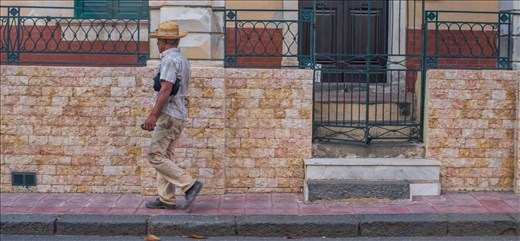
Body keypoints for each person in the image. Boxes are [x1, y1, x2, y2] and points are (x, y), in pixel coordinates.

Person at [142, 21, 202, 211]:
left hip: (168, 115)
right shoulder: (182, 60)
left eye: (158, 40)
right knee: (165, 155)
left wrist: (153, 115)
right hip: (178, 115)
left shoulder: (169, 60)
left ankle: (189, 185)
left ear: (165, 41)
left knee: (155, 155)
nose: (157, 44)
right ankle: (166, 198)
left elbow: (166, 89)